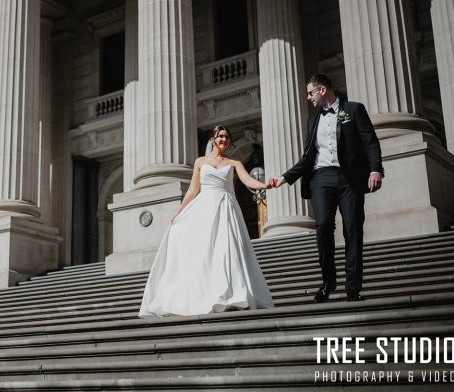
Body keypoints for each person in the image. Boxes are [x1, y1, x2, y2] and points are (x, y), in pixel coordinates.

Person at [268, 73, 383, 303]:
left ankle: (353, 287)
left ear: (322, 90)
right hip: (321, 178)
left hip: (349, 179)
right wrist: (284, 177)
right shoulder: (313, 121)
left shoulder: (353, 110)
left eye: (310, 92)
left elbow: (370, 141)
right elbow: (308, 157)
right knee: (322, 226)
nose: (308, 97)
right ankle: (328, 282)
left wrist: (375, 170)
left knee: (352, 229)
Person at [139, 126, 274, 317]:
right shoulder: (200, 162)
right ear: (212, 139)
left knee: (227, 250)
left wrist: (264, 184)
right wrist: (178, 212)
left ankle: (232, 295)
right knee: (207, 252)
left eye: (227, 137)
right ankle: (208, 293)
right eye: (220, 137)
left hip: (225, 208)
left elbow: (247, 180)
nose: (224, 140)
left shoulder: (234, 162)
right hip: (204, 208)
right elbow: (193, 190)